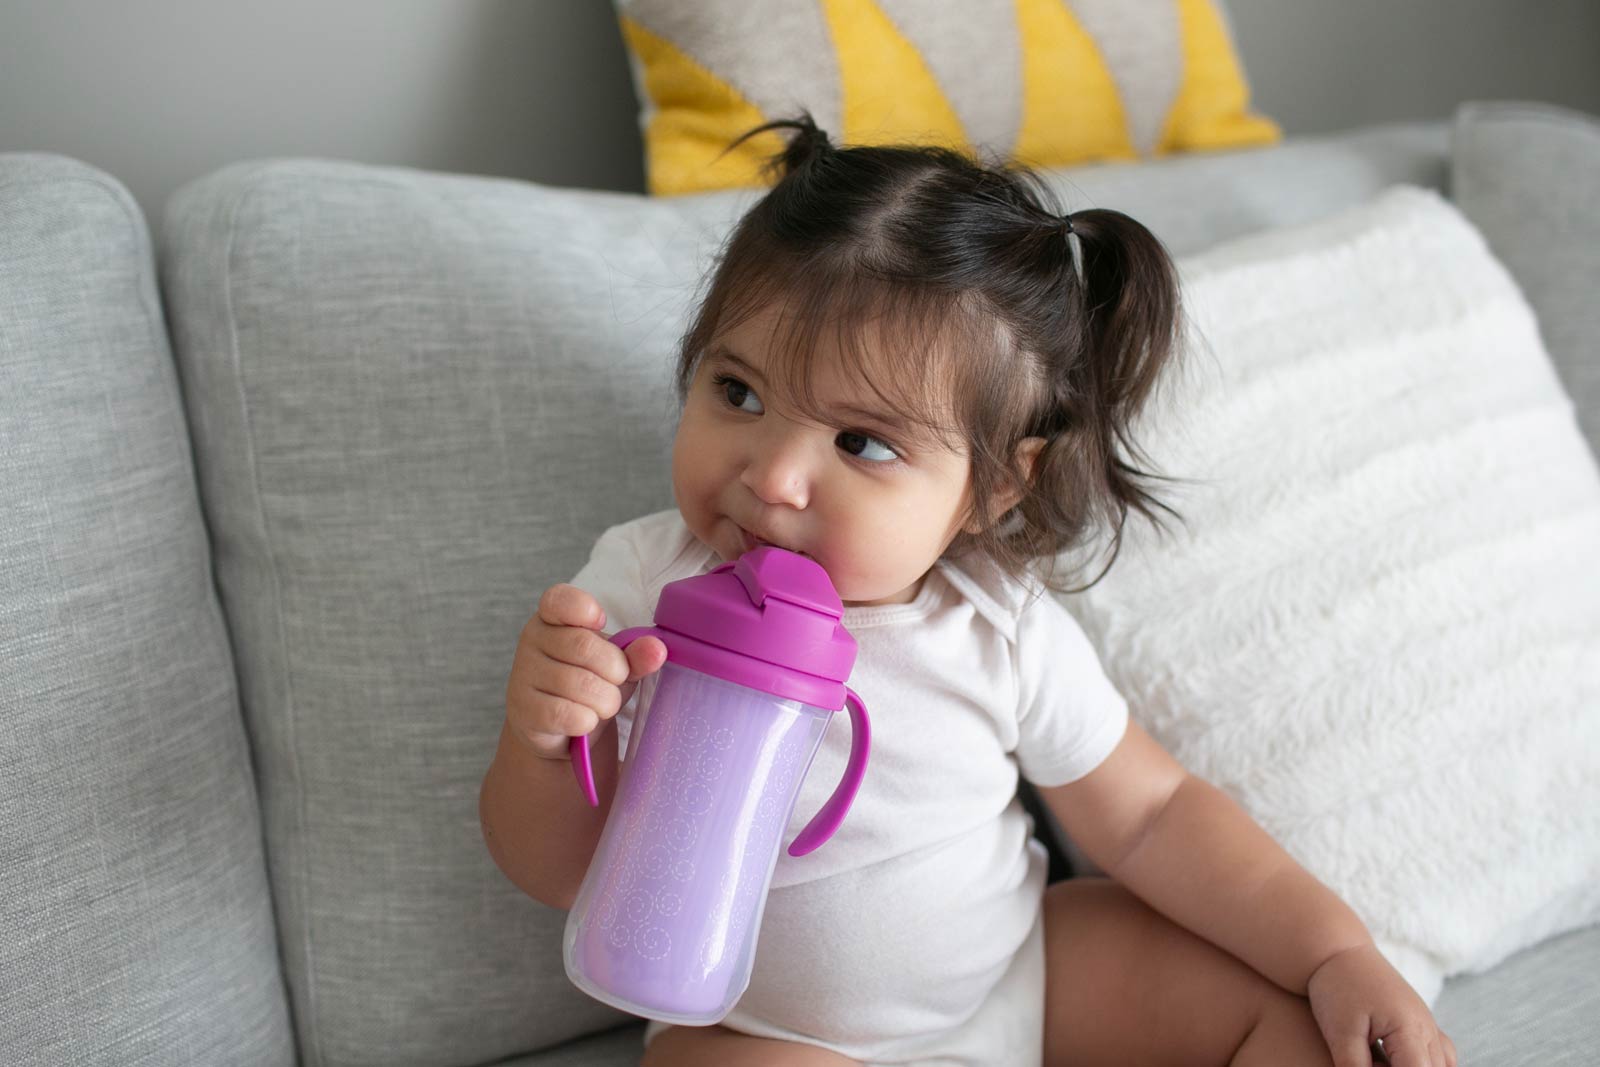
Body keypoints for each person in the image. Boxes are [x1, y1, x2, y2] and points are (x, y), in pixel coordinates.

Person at [479, 113, 1457, 1067]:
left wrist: (1333, 951)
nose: (772, 477)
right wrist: (544, 743)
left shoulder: (996, 622)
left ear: (993, 487)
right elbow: (563, 874)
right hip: (757, 1027)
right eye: (738, 392)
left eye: (861, 442)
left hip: (1020, 980)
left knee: (1294, 1019)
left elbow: (1152, 814)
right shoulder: (645, 586)